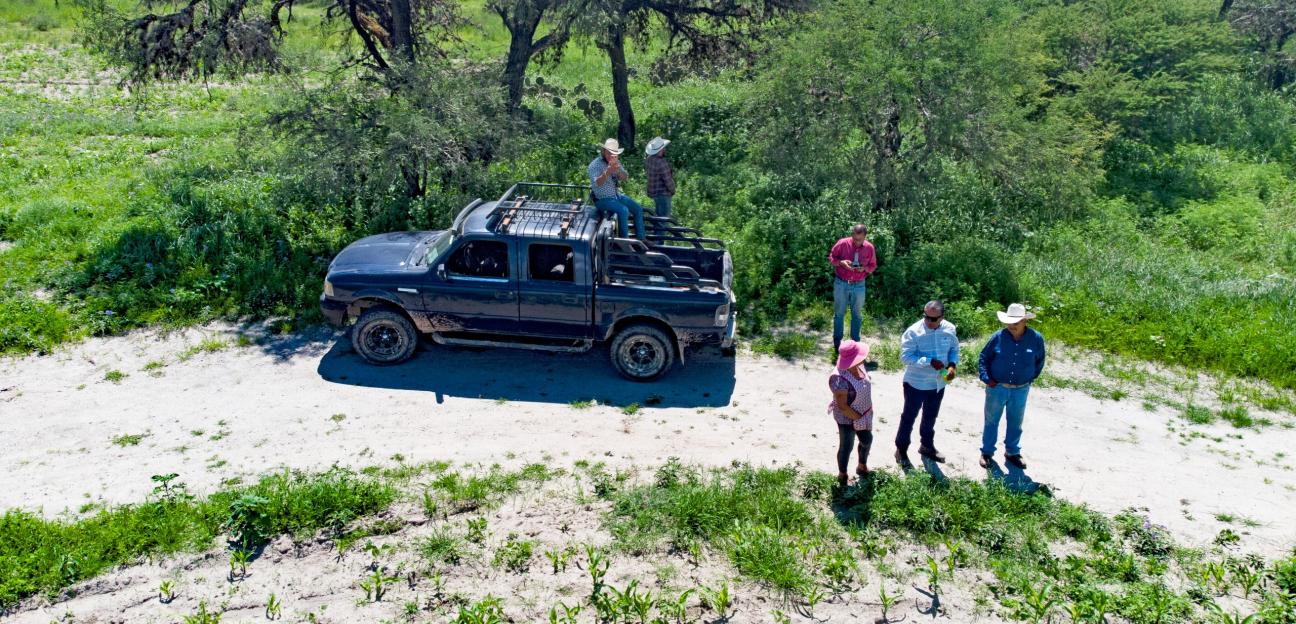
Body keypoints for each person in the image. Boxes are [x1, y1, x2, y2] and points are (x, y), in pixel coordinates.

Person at [978, 303, 1047, 470]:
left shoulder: (1036, 338)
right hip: (997, 387)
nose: (1011, 326)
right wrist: (987, 378)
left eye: (1015, 322)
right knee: (991, 420)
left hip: (1021, 388)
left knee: (1016, 422)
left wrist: (1030, 377)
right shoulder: (998, 336)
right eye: (1009, 322)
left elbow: (1040, 361)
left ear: (1024, 321)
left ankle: (1012, 452)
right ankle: (987, 452)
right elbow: (983, 357)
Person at [896, 300, 959, 468]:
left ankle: (927, 446)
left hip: (938, 383)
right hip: (916, 383)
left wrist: (952, 365)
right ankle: (901, 449)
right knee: (909, 417)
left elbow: (954, 349)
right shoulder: (914, 332)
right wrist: (928, 361)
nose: (928, 322)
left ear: (942, 317)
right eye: (926, 317)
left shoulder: (950, 329)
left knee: (930, 416)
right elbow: (905, 357)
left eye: (933, 319)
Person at [829, 340, 874, 487]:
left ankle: (862, 465)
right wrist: (857, 418)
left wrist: (864, 416)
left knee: (867, 439)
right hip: (847, 418)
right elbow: (843, 406)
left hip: (864, 412)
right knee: (846, 446)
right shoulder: (838, 378)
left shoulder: (859, 365)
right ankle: (842, 474)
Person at [828, 224, 877, 350]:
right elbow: (831, 257)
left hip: (859, 285)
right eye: (854, 238)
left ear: (865, 236)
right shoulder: (842, 243)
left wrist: (864, 268)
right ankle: (837, 343)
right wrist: (840, 263)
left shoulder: (869, 248)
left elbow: (873, 265)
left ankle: (855, 344)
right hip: (841, 283)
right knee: (839, 313)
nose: (856, 242)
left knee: (857, 314)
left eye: (859, 239)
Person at [588, 138, 646, 239]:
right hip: (601, 199)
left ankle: (642, 238)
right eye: (608, 152)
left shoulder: (615, 161)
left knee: (638, 209)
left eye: (614, 153)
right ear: (603, 151)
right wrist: (608, 171)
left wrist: (618, 170)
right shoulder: (595, 164)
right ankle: (624, 241)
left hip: (615, 195)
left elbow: (625, 177)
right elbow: (597, 183)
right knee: (623, 210)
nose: (611, 155)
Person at [644, 136, 676, 220]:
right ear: (661, 149)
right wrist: (673, 190)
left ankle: (656, 232)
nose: (665, 149)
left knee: (658, 218)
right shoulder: (662, 163)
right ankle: (659, 233)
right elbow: (668, 181)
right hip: (663, 194)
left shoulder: (648, 160)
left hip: (654, 193)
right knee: (663, 221)